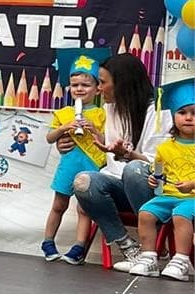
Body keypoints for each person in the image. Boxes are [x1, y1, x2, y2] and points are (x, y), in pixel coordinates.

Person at [72, 53, 168, 266]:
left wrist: (128, 155)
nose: (98, 88)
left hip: (151, 187)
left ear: (122, 83)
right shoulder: (111, 107)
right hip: (119, 185)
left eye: (103, 82)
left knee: (133, 169)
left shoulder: (158, 111)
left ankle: (151, 246)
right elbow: (114, 153)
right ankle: (128, 247)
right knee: (83, 181)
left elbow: (159, 164)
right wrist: (98, 139)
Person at [115, 79, 195, 281]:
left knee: (181, 214)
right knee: (146, 212)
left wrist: (192, 185)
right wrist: (153, 180)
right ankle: (149, 257)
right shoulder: (165, 147)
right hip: (169, 195)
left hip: (191, 199)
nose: (189, 118)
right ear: (174, 116)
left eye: (194, 113)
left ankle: (182, 260)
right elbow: (158, 173)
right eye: (183, 112)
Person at [41, 47, 108, 264]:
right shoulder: (63, 113)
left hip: (90, 165)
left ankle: (79, 246)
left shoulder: (102, 113)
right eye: (75, 85)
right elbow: (50, 138)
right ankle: (48, 241)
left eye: (86, 85)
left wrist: (94, 130)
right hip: (69, 164)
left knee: (84, 208)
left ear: (97, 89)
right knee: (59, 204)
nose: (80, 89)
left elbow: (106, 142)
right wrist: (64, 128)